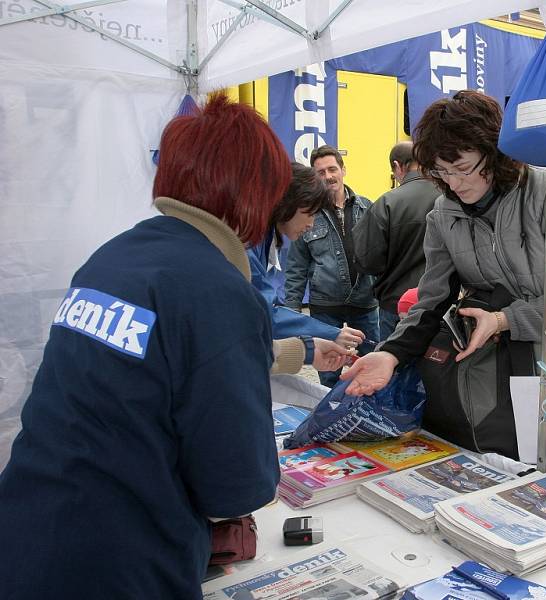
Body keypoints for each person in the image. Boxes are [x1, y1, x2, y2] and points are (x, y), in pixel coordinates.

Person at [0, 94, 338, 599]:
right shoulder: (217, 289)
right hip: (120, 561)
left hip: (28, 529)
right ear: (253, 193)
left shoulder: (111, 258)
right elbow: (238, 486)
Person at [342, 90, 546, 446]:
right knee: (512, 461)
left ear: (495, 153)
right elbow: (432, 301)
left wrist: (504, 320)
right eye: (442, 171)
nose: (454, 183)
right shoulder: (443, 215)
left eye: (464, 168)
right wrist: (391, 353)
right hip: (500, 370)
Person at [285, 145, 379, 387]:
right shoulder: (308, 213)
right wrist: (292, 314)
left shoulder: (367, 208)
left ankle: (365, 420)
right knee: (328, 369)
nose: (327, 176)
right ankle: (330, 417)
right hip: (325, 306)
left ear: (343, 170)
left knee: (368, 365)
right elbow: (296, 269)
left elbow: (381, 258)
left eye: (332, 169)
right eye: (320, 173)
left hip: (365, 305)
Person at [249, 162, 366, 350]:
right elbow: (266, 315)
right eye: (310, 214)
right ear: (287, 205)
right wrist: (326, 335)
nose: (311, 224)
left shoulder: (268, 239)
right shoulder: (252, 244)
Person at [352, 141, 441, 340]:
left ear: (397, 166)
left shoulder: (386, 203)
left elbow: (366, 260)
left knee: (392, 364)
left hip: (396, 305)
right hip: (441, 301)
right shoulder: (450, 197)